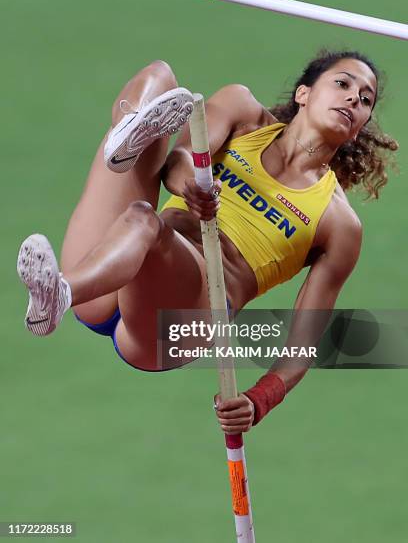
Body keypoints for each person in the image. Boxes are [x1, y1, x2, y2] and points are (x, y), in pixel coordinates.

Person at [17, 51, 398, 434]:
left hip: (180, 321)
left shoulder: (338, 222)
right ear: (304, 93)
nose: (354, 98)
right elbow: (181, 158)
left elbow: (303, 341)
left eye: (365, 100)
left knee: (143, 219)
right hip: (112, 273)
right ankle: (131, 132)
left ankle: (60, 293)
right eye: (343, 83)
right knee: (158, 76)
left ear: (357, 129)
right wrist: (192, 184)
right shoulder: (241, 111)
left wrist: (259, 399)